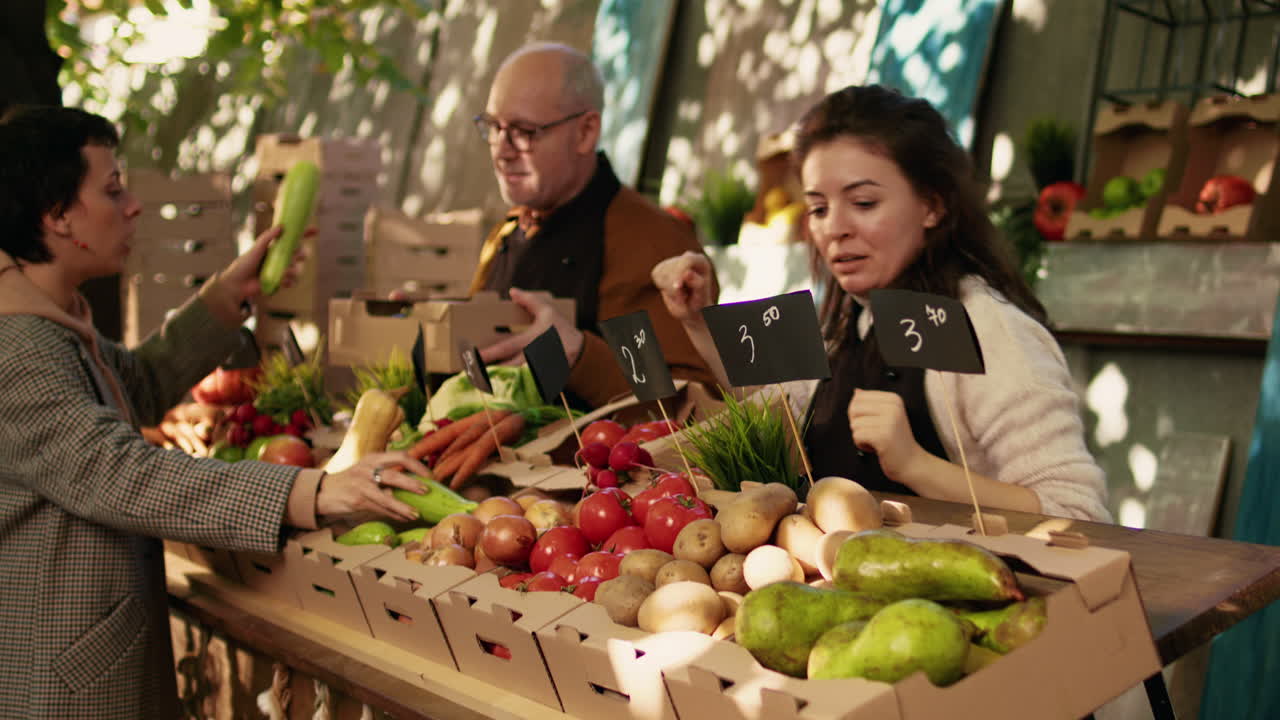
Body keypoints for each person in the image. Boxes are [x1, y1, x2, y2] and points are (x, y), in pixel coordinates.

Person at [0, 106, 430, 719]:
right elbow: (119, 473)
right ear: (58, 215)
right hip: (61, 692)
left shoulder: (51, 320)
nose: (133, 206)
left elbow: (136, 384)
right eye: (113, 189)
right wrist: (309, 492)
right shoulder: (16, 348)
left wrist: (228, 298)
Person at [654, 85, 1110, 522]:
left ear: (932, 206)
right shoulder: (848, 320)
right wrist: (699, 320)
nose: (835, 228)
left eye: (864, 202)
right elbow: (776, 408)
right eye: (819, 209)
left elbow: (1077, 514)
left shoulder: (991, 330)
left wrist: (917, 465)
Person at [468, 42, 717, 408]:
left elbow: (689, 404)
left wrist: (579, 355)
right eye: (493, 127)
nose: (502, 151)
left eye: (524, 131)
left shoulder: (651, 245)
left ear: (586, 132)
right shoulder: (507, 231)